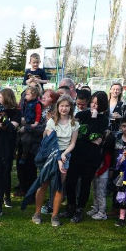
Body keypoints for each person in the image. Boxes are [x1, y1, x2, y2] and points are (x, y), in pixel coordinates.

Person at [24, 95, 79, 227]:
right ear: (57, 107)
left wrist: (65, 154)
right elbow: (51, 143)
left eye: (67, 106)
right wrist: (59, 157)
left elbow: (72, 143)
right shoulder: (51, 122)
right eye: (62, 106)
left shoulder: (75, 123)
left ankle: (55, 215)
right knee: (44, 184)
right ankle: (37, 213)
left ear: (70, 107)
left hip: (65, 155)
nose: (64, 108)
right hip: (50, 155)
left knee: (59, 187)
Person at [64, 91, 110, 222]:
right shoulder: (81, 114)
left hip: (91, 156)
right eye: (93, 102)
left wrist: (94, 120)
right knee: (70, 182)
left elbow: (95, 136)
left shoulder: (103, 119)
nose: (94, 106)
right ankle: (70, 207)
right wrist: (88, 136)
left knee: (85, 183)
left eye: (97, 103)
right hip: (77, 152)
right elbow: (77, 133)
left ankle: (79, 210)